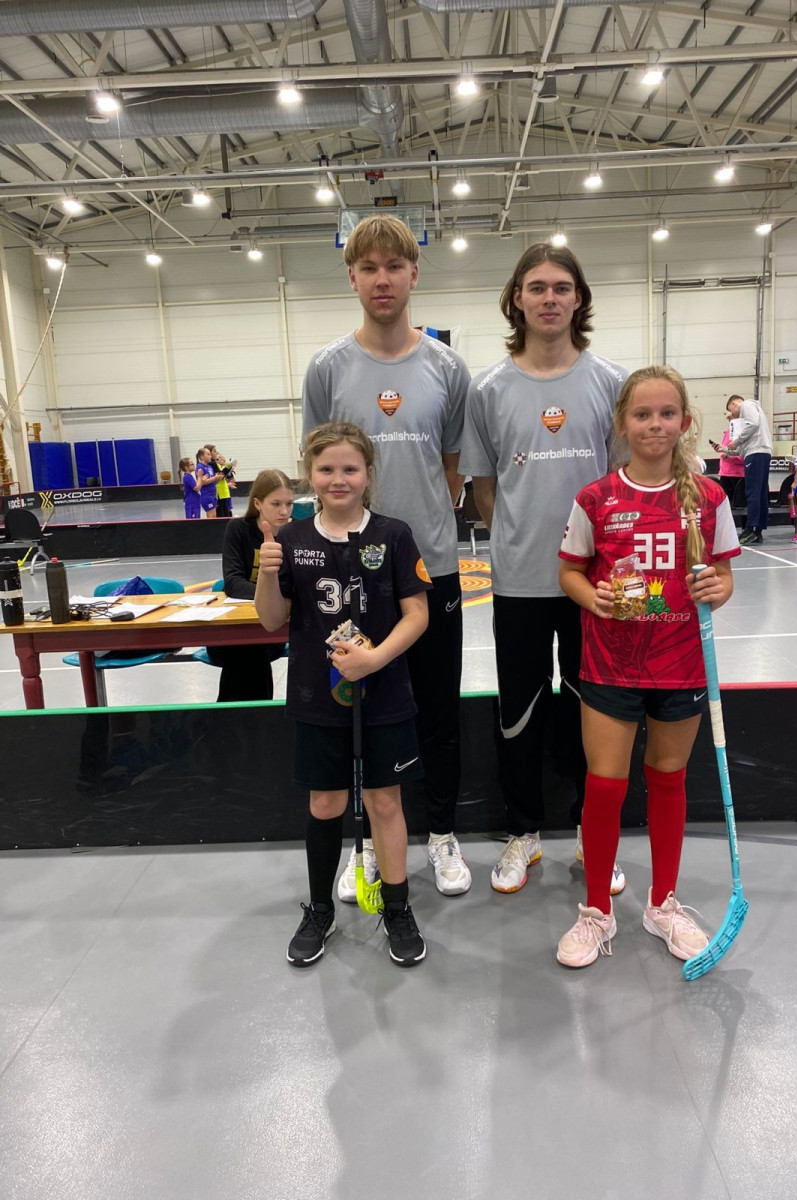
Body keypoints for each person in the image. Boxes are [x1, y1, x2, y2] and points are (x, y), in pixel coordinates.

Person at [302, 214, 472, 899]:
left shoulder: (447, 368)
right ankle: (370, 843)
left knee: (437, 710)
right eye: (368, 267)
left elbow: (453, 469)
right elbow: (323, 463)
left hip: (430, 570)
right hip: (351, 579)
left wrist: (418, 533)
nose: (382, 279)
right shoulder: (328, 368)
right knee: (363, 712)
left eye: (394, 266)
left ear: (413, 274)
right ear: (352, 278)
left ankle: (443, 834)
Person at [554, 364, 740, 969]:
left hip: (682, 665)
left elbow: (724, 578)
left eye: (666, 413)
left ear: (685, 422)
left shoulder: (709, 497)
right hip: (610, 665)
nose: (654, 424)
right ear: (622, 423)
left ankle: (663, 904)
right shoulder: (596, 499)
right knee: (604, 785)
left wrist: (718, 588)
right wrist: (594, 598)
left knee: (668, 779)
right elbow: (570, 572)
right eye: (642, 414)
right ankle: (595, 912)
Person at [459, 241, 627, 896]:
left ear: (578, 298)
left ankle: (592, 830)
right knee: (519, 714)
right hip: (520, 584)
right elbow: (485, 489)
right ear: (517, 299)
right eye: (537, 287)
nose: (550, 297)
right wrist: (521, 541)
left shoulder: (611, 382)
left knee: (595, 714)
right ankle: (523, 831)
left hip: (594, 588)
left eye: (562, 286)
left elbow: (622, 486)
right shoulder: (488, 389)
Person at [254, 422, 430, 968]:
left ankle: (396, 907)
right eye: (326, 469)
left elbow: (417, 614)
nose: (338, 479)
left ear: (368, 474)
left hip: (384, 691)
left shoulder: (394, 534)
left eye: (350, 469)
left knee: (384, 801)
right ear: (309, 475)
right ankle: (320, 908)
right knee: (325, 803)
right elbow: (271, 620)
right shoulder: (291, 540)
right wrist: (266, 575)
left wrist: (374, 659)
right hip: (317, 693)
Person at [205, 469, 293, 701]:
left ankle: (239, 717)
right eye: (276, 504)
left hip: (274, 628)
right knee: (245, 646)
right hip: (236, 628)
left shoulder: (296, 534)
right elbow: (233, 583)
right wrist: (272, 597)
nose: (284, 511)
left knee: (249, 649)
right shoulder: (238, 530)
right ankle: (252, 716)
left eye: (289, 504)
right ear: (258, 503)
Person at [713, 394, 771, 545]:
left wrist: (737, 440)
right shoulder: (754, 415)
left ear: (734, 404)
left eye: (730, 410)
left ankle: (750, 529)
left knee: (753, 493)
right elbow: (741, 450)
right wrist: (725, 449)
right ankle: (757, 531)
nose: (732, 414)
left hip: (756, 454)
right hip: (761, 453)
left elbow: (753, 424)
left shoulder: (747, 406)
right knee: (760, 493)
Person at [715, 415, 745, 511]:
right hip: (725, 474)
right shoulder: (728, 432)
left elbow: (744, 455)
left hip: (737, 475)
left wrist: (730, 457)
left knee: (739, 505)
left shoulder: (742, 434)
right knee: (725, 505)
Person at [195, 447, 223, 517]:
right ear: (202, 456)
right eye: (208, 454)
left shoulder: (209, 467)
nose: (210, 456)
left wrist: (218, 478)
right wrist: (214, 478)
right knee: (211, 515)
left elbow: (213, 481)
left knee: (214, 515)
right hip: (206, 495)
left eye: (210, 454)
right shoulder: (200, 467)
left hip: (213, 494)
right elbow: (202, 482)